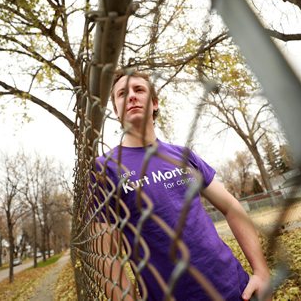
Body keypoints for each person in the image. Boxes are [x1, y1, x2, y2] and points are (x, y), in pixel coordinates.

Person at [94, 70, 270, 301]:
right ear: (116, 111)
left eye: (139, 90)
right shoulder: (104, 168)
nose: (131, 97)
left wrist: (262, 271)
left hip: (235, 289)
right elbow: (106, 257)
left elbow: (231, 206)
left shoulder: (183, 155)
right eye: (122, 94)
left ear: (155, 103)